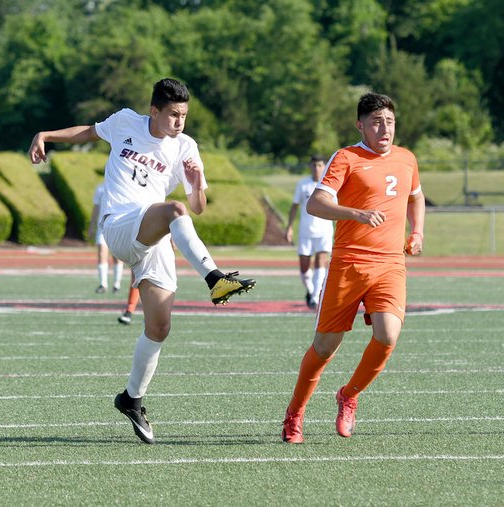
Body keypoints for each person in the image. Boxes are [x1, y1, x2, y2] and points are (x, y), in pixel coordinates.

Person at [28, 78, 256, 444]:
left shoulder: (186, 147)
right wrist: (46, 135)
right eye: (172, 114)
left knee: (159, 327)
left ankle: (131, 398)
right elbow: (88, 133)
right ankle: (215, 278)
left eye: (184, 115)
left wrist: (197, 184)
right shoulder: (125, 122)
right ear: (154, 111)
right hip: (120, 224)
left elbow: (198, 206)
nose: (179, 122)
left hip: (154, 236)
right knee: (173, 208)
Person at [281, 92, 425, 444]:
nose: (384, 128)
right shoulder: (346, 157)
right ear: (361, 125)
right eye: (376, 122)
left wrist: (417, 231)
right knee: (325, 347)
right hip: (348, 263)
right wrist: (355, 213)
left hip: (390, 264)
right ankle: (294, 414)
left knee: (388, 335)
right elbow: (316, 203)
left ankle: (349, 395)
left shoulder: (407, 159)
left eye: (389, 121)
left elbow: (416, 196)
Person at [284, 155, 334, 309]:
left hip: (324, 230)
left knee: (320, 262)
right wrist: (289, 227)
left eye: (320, 165)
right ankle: (311, 291)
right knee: (304, 268)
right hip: (306, 231)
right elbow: (294, 206)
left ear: (324, 166)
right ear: (310, 166)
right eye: (314, 165)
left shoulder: (330, 184)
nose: (317, 168)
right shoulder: (303, 184)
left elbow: (336, 208)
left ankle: (315, 297)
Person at [88, 182, 124, 294]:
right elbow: (96, 208)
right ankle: (103, 284)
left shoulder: (122, 186)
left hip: (117, 226)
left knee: (117, 256)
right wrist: (92, 226)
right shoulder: (100, 188)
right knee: (101, 254)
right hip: (102, 227)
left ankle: (116, 284)